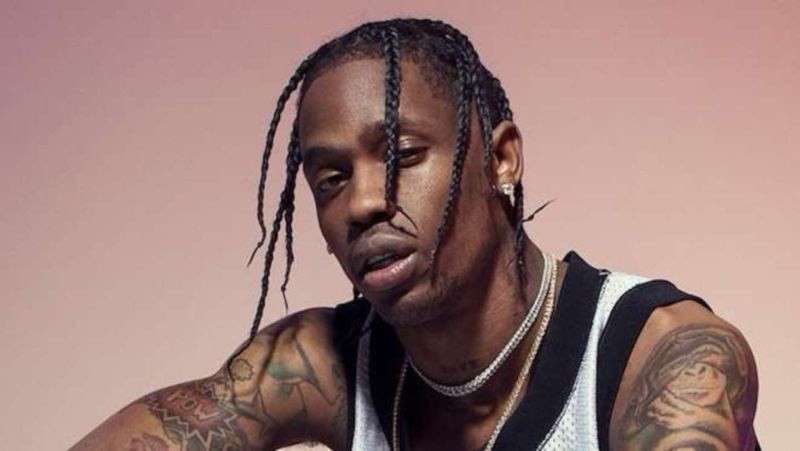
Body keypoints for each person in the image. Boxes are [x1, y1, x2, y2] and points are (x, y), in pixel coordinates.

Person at [72, 18, 759, 450]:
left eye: (401, 156)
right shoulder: (320, 364)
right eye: (330, 179)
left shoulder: (666, 356)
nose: (363, 203)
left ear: (501, 159)